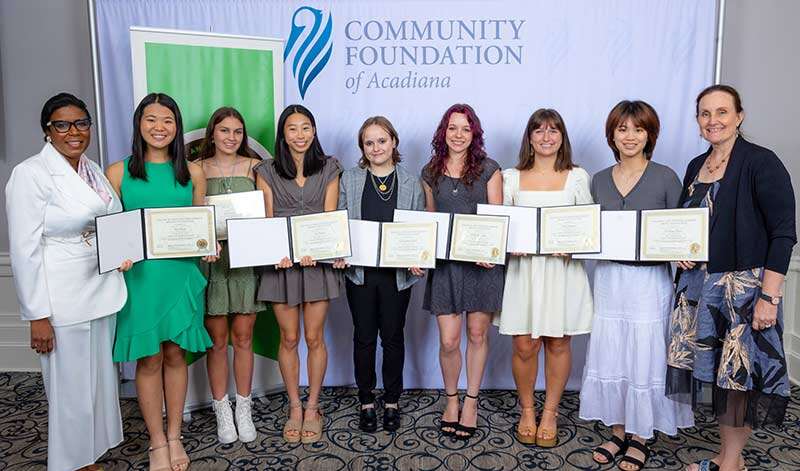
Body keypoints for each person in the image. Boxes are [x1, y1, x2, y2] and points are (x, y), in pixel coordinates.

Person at [666, 85, 795, 471]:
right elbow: (687, 227)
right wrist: (680, 253)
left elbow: (784, 232)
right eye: (705, 114)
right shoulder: (695, 166)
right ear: (697, 120)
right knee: (720, 380)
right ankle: (726, 457)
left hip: (744, 291)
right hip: (700, 291)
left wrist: (768, 298)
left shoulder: (761, 162)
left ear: (739, 116)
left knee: (737, 378)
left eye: (722, 112)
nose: (713, 121)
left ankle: (731, 463)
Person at [5, 93, 128, 471]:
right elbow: (24, 251)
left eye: (81, 123)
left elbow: (110, 220)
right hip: (62, 298)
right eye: (63, 125)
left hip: (101, 288)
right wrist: (37, 316)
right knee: (69, 389)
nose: (74, 132)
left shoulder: (91, 169)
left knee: (96, 384)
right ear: (48, 131)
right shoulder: (31, 174)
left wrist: (122, 251)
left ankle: (88, 456)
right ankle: (69, 463)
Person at [578, 101, 694, 470]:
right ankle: (617, 431)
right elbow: (588, 232)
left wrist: (685, 251)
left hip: (649, 282)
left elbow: (680, 229)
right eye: (623, 129)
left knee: (644, 354)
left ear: (650, 135)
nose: (630, 137)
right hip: (610, 279)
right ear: (612, 134)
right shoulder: (597, 179)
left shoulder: (665, 176)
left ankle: (640, 435)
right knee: (612, 352)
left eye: (638, 130)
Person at [107, 93, 215, 471]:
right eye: (151, 119)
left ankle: (174, 437)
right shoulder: (118, 173)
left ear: (177, 126)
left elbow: (203, 225)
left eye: (167, 120)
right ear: (139, 124)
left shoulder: (193, 173)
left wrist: (208, 246)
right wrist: (114, 253)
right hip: (140, 278)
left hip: (181, 275)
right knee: (149, 358)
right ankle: (156, 442)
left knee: (175, 355)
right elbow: (109, 230)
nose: (159, 127)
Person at [494, 108, 593, 447]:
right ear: (530, 138)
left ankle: (550, 412)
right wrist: (509, 246)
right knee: (524, 344)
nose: (546, 137)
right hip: (524, 272)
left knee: (558, 342)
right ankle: (526, 410)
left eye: (554, 131)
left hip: (561, 271)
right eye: (539, 131)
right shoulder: (510, 177)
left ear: (562, 137)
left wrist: (575, 248)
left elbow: (588, 230)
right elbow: (500, 228)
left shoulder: (577, 176)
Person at [254, 104, 343, 444]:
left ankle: (314, 406)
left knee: (314, 338)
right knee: (289, 339)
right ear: (282, 134)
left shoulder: (330, 167)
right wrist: (278, 252)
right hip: (281, 265)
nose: (300, 135)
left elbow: (330, 217)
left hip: (317, 265)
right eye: (292, 128)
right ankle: (294, 405)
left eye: (306, 127)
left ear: (314, 131)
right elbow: (267, 218)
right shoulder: (266, 170)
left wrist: (319, 250)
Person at [333, 116, 425, 433]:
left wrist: (419, 258)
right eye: (369, 142)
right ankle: (366, 400)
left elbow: (420, 229)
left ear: (394, 142)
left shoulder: (413, 182)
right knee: (364, 339)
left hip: (397, 276)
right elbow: (340, 222)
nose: (376, 147)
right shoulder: (350, 179)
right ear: (362, 147)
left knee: (394, 338)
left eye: (382, 140)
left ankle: (392, 401)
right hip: (360, 274)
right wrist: (340, 252)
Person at [421, 103, 503, 441]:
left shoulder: (490, 169)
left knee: (477, 335)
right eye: (452, 128)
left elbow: (497, 220)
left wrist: (491, 251)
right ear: (444, 132)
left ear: (475, 134)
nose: (458, 135)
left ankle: (471, 401)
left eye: (465, 129)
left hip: (481, 266)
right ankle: (451, 399)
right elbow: (429, 222)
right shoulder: (430, 172)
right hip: (446, 267)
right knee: (449, 339)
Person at [194, 107, 265, 444]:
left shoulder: (255, 168)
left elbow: (267, 215)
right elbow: (193, 217)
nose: (231, 137)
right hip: (213, 261)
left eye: (238, 131)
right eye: (225, 131)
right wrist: (205, 242)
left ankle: (244, 406)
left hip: (245, 259)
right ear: (212, 133)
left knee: (244, 337)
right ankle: (221, 407)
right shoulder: (196, 169)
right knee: (218, 340)